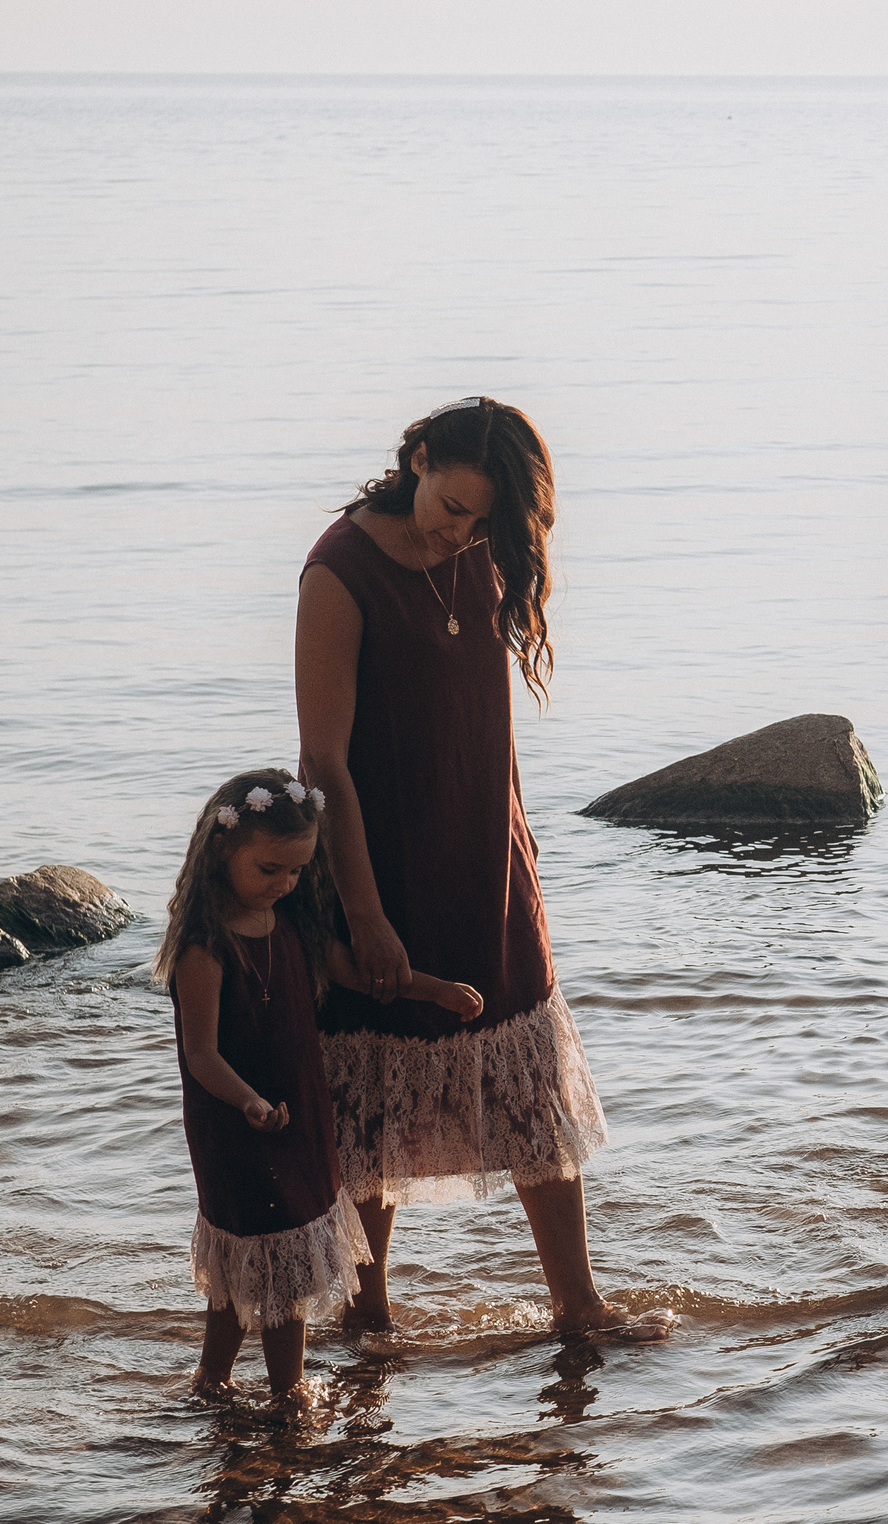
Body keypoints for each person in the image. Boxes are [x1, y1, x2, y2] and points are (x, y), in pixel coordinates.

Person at [297, 396, 671, 1340]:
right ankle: (366, 1308)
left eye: (479, 519)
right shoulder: (339, 573)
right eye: (451, 506)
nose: (459, 530)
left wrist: (518, 844)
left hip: (489, 851)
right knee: (375, 1096)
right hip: (381, 862)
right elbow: (322, 762)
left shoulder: (487, 550)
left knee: (529, 1078)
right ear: (417, 457)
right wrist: (364, 913)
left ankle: (577, 1306)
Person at [155, 765, 479, 1408]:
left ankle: (210, 1384)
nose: (284, 884)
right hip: (238, 1124)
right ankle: (288, 1393)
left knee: (266, 1254)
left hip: (298, 1115)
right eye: (269, 869)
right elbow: (200, 1052)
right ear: (222, 850)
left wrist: (434, 989)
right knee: (271, 1260)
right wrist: (246, 1100)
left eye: (297, 871)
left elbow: (361, 976)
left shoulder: (295, 929)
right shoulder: (205, 948)